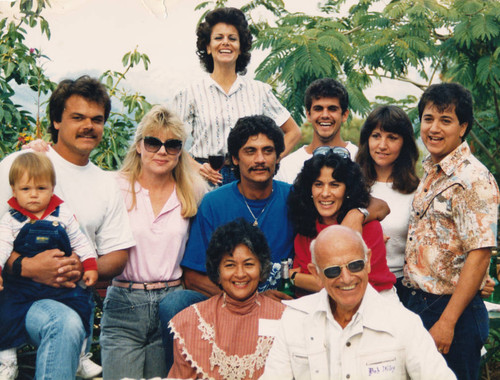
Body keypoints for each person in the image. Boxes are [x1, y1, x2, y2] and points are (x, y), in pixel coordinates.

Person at [0, 76, 135, 379]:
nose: (89, 125)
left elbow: (118, 255)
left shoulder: (105, 184)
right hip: (13, 293)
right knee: (63, 324)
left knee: (66, 322)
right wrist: (26, 266)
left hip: (67, 295)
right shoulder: (21, 164)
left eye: (97, 119)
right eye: (78, 117)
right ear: (56, 121)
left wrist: (82, 266)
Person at [159, 115, 294, 371]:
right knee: (174, 304)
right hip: (225, 298)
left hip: (280, 303)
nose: (260, 160)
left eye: (268, 151)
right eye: (250, 151)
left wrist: (363, 211)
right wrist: (248, 298)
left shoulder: (294, 198)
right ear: (234, 158)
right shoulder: (214, 203)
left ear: (278, 157)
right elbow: (192, 276)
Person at [261, 225, 456, 380]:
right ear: (316, 273)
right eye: (333, 271)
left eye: (355, 265)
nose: (346, 278)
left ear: (369, 261)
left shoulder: (403, 324)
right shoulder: (295, 320)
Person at [99, 105, 206, 380]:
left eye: (172, 144)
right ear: (138, 146)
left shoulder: (193, 191)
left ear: (180, 151)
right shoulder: (114, 186)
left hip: (172, 304)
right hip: (124, 303)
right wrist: (40, 151)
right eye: (153, 142)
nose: (162, 151)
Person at [403, 82, 499, 379]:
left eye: (446, 120)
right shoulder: (432, 170)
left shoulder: (473, 178)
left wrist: (448, 321)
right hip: (419, 304)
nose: (434, 128)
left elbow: (480, 253)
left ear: (463, 127)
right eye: (429, 119)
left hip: (452, 312)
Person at [173, 7, 301, 185]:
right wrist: (197, 167)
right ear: (208, 47)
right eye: (218, 38)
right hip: (203, 178)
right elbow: (170, 142)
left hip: (249, 179)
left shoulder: (259, 91)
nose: (225, 43)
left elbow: (294, 132)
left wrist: (268, 160)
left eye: (232, 38)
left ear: (241, 48)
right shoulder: (190, 93)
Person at [0, 152, 97, 380]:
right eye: (26, 189)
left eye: (41, 189)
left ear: (52, 188)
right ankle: (6, 360)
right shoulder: (11, 219)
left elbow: (80, 240)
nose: (33, 195)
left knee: (83, 305)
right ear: (14, 191)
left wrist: (89, 265)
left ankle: (80, 357)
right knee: (4, 311)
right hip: (23, 287)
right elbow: (2, 247)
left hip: (61, 286)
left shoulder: (62, 214)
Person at [168, 219, 285, 379]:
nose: (240, 274)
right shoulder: (190, 323)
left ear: (262, 267)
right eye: (230, 265)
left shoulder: (285, 318)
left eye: (249, 264)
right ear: (217, 272)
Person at [287, 147, 397, 299]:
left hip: (374, 302)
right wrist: (305, 280)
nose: (325, 193)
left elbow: (340, 283)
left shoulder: (367, 226)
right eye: (318, 184)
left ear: (347, 190)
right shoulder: (307, 229)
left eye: (334, 185)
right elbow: (314, 285)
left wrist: (290, 276)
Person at [356, 105, 419, 302]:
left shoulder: (418, 191)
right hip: (354, 283)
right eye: (376, 136)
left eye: (392, 137)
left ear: (404, 143)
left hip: (402, 287)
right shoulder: (350, 185)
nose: (382, 145)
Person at [275, 78, 358, 184]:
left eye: (332, 109)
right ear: (308, 115)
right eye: (318, 109)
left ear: (345, 115)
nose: (325, 115)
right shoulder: (288, 167)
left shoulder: (360, 160)